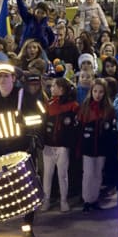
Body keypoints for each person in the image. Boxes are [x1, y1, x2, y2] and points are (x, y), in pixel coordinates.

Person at [0, 63, 43, 237]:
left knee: (25, 188)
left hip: (23, 147)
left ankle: (27, 227)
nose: (2, 80)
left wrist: (25, 121)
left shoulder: (24, 96)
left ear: (13, 78)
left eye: (6, 76)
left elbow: (42, 117)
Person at [77, 77, 117, 212]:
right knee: (88, 174)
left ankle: (94, 199)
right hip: (88, 147)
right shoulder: (86, 107)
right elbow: (80, 128)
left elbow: (111, 129)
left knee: (97, 173)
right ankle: (87, 200)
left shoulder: (109, 109)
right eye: (95, 91)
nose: (97, 94)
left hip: (101, 147)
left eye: (100, 92)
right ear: (91, 92)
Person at [41, 76, 80, 211]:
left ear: (61, 89)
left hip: (63, 146)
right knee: (47, 174)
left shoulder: (73, 106)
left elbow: (76, 126)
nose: (51, 88)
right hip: (48, 145)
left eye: (54, 86)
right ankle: (46, 200)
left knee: (62, 175)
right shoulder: (49, 104)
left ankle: (63, 200)